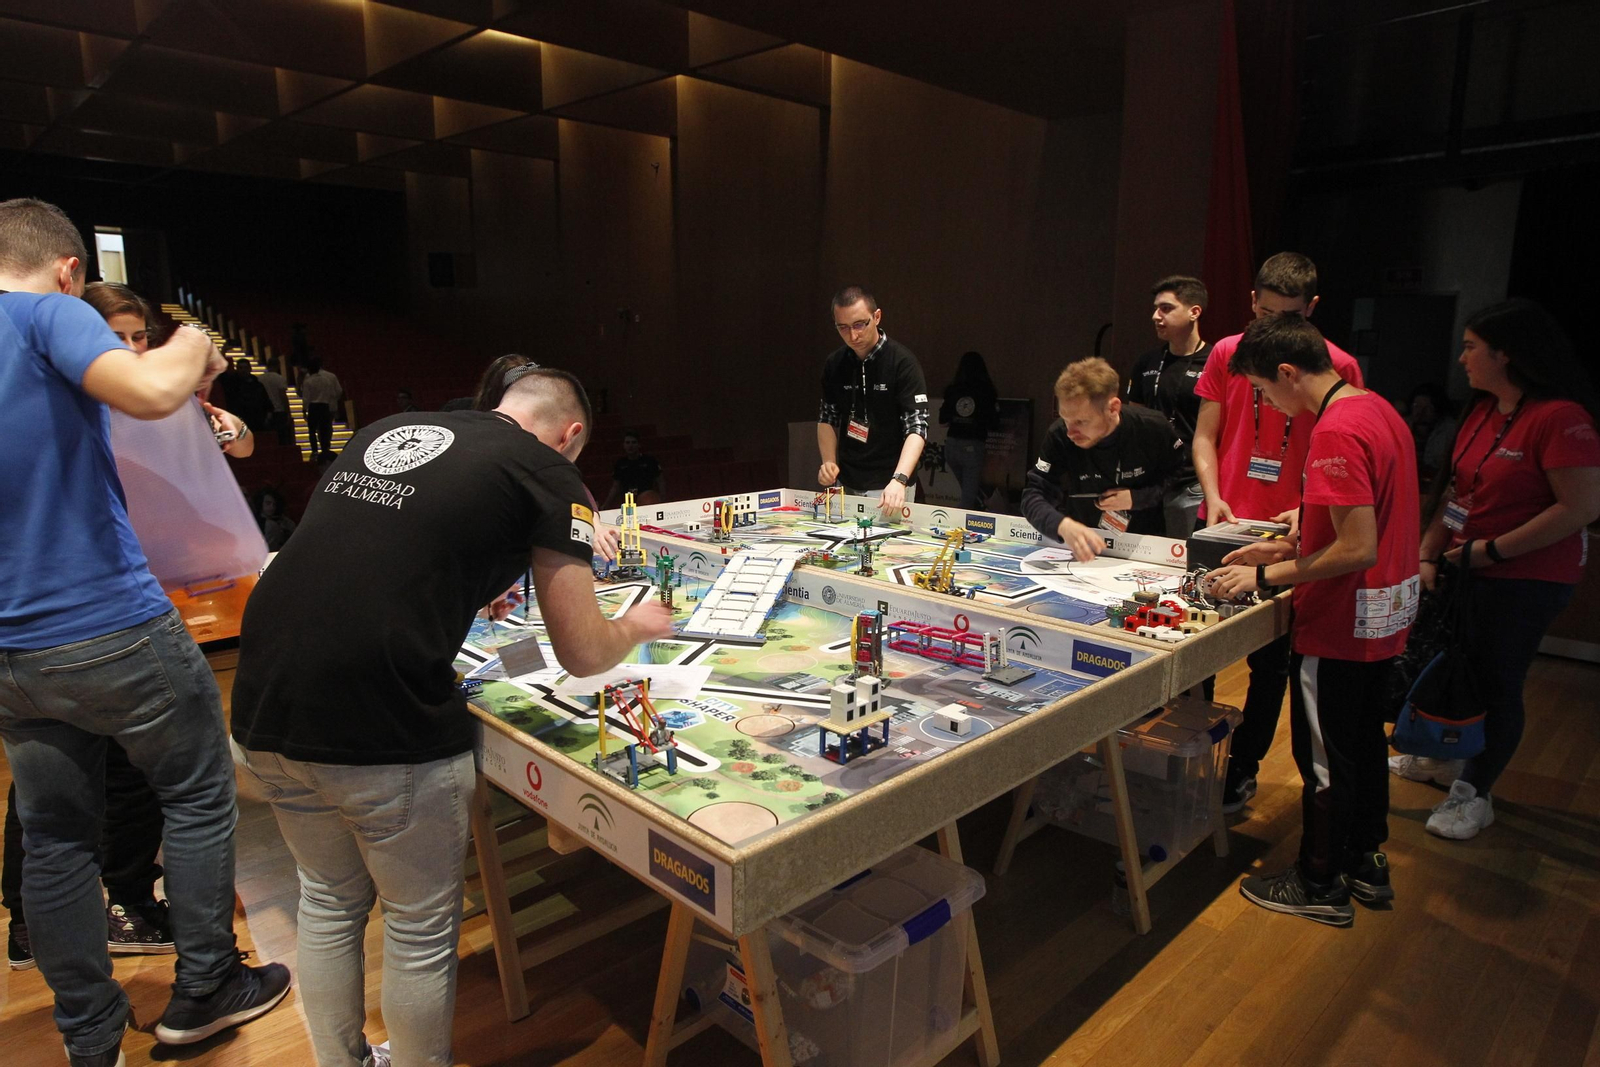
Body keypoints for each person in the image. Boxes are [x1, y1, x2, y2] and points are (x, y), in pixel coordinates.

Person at [230, 368, 676, 1067]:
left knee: (328, 899)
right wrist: (639, 626)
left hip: (262, 704)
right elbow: (584, 651)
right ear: (572, 435)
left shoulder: (392, 430)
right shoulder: (548, 472)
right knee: (416, 926)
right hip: (378, 719)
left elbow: (380, 553)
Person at [0, 197, 289, 1066]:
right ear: (68, 271)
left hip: (10, 649)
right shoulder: (47, 310)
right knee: (199, 788)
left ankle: (90, 1033)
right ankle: (205, 986)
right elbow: (155, 386)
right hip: (102, 620)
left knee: (53, 831)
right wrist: (194, 346)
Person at [1208, 313, 1419, 926]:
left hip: (1341, 621)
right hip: (1383, 614)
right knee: (1361, 746)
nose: (1271, 405)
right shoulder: (1376, 407)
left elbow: (1357, 547)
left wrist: (1265, 577)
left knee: (1323, 755)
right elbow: (1367, 514)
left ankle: (1319, 879)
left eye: (1266, 392)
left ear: (1287, 373)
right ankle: (1364, 862)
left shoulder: (1334, 430)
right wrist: (1299, 524)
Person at [1398, 300, 1600, 839]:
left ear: (1505, 354)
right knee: (1452, 664)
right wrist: (1428, 551)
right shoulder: (1483, 409)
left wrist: (1491, 552)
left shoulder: (1560, 417)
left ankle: (1474, 793)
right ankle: (1442, 757)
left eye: (1470, 347)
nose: (1461, 358)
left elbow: (1579, 508)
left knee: (1496, 682)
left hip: (1527, 579)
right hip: (1468, 566)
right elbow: (1461, 493)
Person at [1190, 253, 1365, 813]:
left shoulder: (1337, 366)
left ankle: (1240, 769)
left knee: (1270, 666)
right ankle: (1191, 761)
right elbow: (1205, 436)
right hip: (1222, 526)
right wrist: (1214, 496)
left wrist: (1303, 512)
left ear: (1311, 310)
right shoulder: (1226, 353)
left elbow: (1342, 450)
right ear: (1250, 301)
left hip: (1290, 537)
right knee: (1195, 651)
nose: (1272, 327)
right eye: (1264, 312)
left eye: (1286, 314)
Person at [1021, 357, 1180, 560]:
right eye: (1065, 419)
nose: (1071, 432)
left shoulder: (1152, 428)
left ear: (1113, 408)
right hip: (1085, 549)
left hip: (1147, 549)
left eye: (1081, 421)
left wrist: (1138, 498)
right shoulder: (1060, 435)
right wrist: (1061, 525)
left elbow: (1180, 479)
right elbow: (1033, 494)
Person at [83, 282, 254, 458]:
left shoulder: (161, 385)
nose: (131, 348)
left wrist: (233, 427)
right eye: (115, 337)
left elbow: (245, 448)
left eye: (138, 337)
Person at [817, 285, 929, 514]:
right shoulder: (835, 363)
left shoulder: (902, 362)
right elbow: (827, 417)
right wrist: (828, 461)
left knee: (888, 548)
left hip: (891, 484)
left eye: (859, 324)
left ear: (876, 317)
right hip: (848, 480)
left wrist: (900, 479)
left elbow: (917, 427)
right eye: (843, 327)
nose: (853, 335)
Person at [1125, 276, 1210, 536]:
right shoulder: (1147, 362)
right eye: (1155, 308)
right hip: (1149, 483)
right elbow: (1133, 424)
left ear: (1194, 312)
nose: (1155, 316)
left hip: (1190, 484)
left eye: (1166, 308)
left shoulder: (1214, 362)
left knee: (1185, 562)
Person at [939, 351, 1000, 509]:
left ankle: (981, 507)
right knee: (968, 498)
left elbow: (942, 421)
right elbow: (994, 423)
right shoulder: (987, 392)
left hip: (951, 446)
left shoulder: (953, 390)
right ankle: (960, 529)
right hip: (973, 447)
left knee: (969, 494)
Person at [1403, 382, 1456, 487]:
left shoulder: (1450, 430)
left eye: (1428, 408)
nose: (1421, 412)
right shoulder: (1402, 425)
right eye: (1416, 406)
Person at [603, 430, 665, 508]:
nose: (630, 445)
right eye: (627, 443)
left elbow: (660, 482)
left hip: (648, 501)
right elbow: (615, 487)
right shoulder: (620, 463)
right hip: (629, 503)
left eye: (634, 442)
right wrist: (606, 505)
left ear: (639, 445)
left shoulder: (650, 461)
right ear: (624, 445)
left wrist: (663, 500)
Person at [300, 354, 343, 460]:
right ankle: (325, 449)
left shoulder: (308, 380)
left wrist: (304, 409)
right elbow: (336, 392)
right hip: (325, 406)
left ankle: (314, 450)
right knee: (325, 429)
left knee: (312, 430)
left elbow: (306, 397)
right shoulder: (328, 379)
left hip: (314, 406)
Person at [257, 358, 292, 444]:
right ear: (278, 366)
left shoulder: (259, 378)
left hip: (265, 411)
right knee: (282, 437)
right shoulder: (280, 379)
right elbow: (282, 396)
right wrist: (288, 411)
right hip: (279, 410)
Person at [254, 487, 297, 552]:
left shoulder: (286, 522)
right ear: (260, 503)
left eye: (274, 504)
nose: (272, 507)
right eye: (268, 503)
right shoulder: (253, 521)